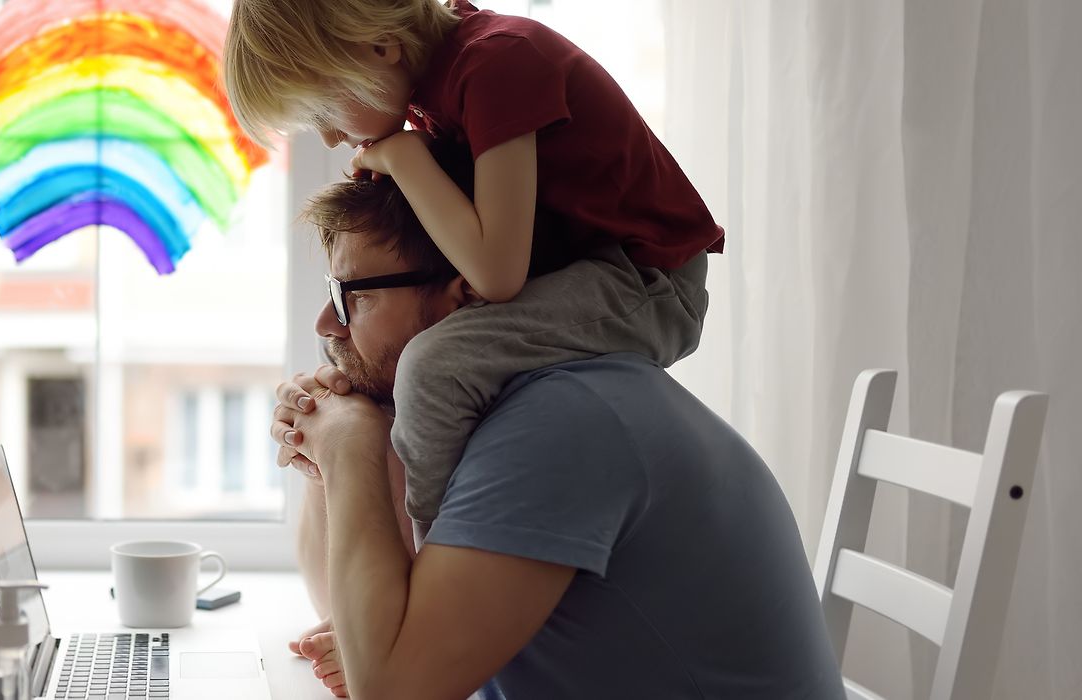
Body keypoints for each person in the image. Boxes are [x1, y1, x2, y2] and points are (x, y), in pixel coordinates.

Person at [268, 153, 843, 698]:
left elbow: (393, 689)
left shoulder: (560, 425)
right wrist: (331, 465)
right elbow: (350, 624)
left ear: (465, 294)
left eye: (351, 297)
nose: (326, 324)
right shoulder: (507, 407)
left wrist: (349, 445)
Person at [225, 0, 722, 544]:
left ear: (379, 46)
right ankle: (380, 577)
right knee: (367, 363)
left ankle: (434, 562)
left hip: (648, 281)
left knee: (431, 367)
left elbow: (496, 274)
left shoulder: (496, 62)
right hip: (594, 267)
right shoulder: (444, 78)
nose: (328, 137)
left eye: (323, 111)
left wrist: (406, 160)